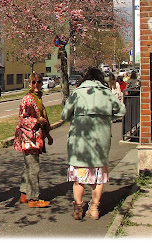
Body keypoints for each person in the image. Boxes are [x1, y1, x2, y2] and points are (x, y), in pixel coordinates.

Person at [61, 67, 126, 220]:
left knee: (79, 178)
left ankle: (78, 208)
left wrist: (76, 119)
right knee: (98, 178)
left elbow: (64, 114)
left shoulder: (78, 93)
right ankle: (95, 209)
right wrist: (108, 118)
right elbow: (121, 110)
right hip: (100, 143)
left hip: (80, 143)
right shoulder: (106, 93)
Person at [14, 72, 53, 208]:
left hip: (35, 137)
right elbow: (22, 119)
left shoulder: (38, 98)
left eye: (39, 82)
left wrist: (47, 134)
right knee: (33, 168)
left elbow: (44, 116)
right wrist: (37, 120)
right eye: (33, 82)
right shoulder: (28, 99)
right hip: (29, 138)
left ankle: (25, 194)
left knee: (29, 167)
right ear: (29, 84)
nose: (36, 85)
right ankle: (33, 198)